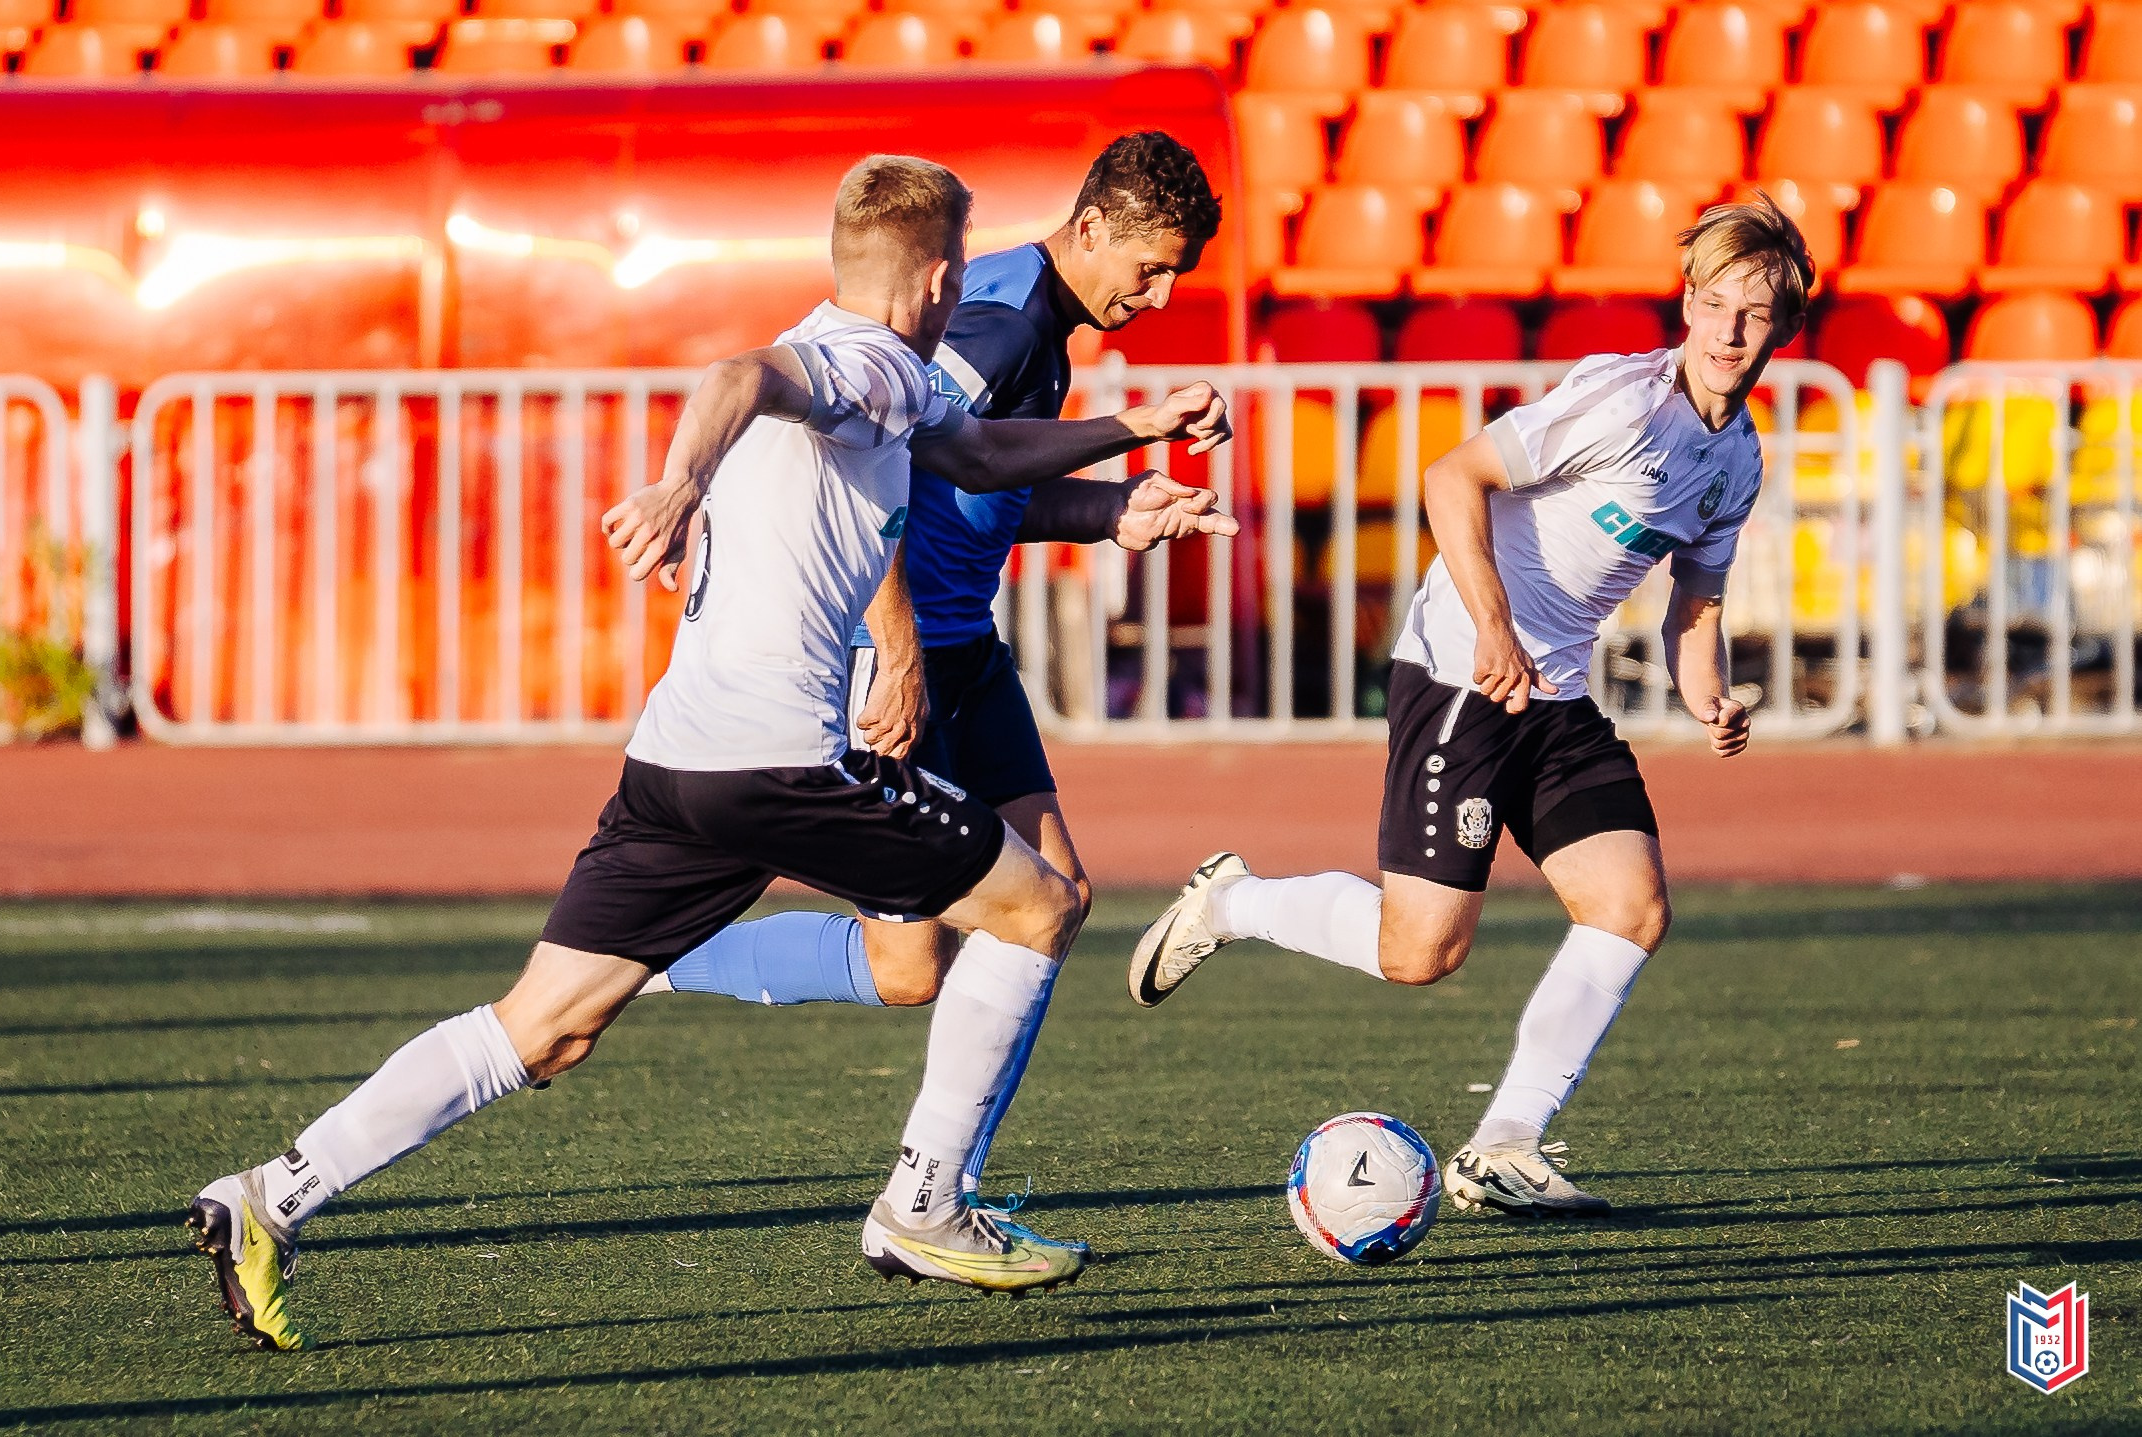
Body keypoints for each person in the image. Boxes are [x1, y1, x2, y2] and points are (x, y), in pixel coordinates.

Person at [186, 153, 1234, 1351]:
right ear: (940, 278)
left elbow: (982, 460)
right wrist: (680, 482)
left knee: (544, 1029)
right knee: (1039, 909)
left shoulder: (887, 371)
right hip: (785, 767)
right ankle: (926, 1203)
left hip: (676, 766)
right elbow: (739, 372)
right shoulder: (859, 361)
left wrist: (1129, 437)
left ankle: (271, 1194)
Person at [1128, 195, 1814, 1218]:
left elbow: (1695, 608)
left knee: (1629, 909)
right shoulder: (1620, 403)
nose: (1725, 331)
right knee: (1420, 952)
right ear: (1684, 303)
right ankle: (1230, 904)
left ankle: (1503, 1145)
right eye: (1711, 305)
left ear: (1781, 326)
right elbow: (1451, 476)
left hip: (1556, 691)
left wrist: (1711, 697)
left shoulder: (1735, 458)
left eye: (1750, 315)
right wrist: (1492, 627)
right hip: (1464, 670)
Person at [641, 132, 1228, 1218]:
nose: (1156, 295)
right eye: (1147, 267)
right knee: (910, 967)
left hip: (970, 652)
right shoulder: (1000, 319)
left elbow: (986, 485)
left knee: (1055, 899)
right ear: (1090, 226)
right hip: (907, 655)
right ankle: (663, 953)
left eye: (1175, 275)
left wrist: (1114, 511)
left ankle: (935, 1190)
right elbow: (880, 465)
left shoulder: (1040, 323)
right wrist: (897, 646)